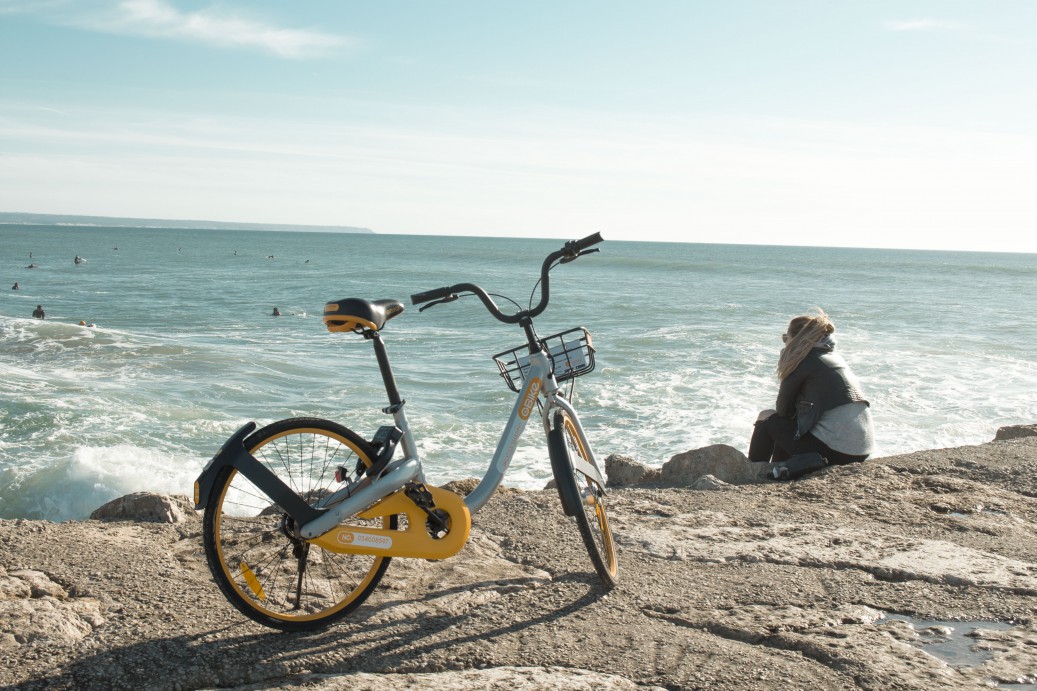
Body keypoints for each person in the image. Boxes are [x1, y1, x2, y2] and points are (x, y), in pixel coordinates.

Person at [749, 308, 874, 466]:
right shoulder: (833, 358)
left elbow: (783, 411)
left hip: (835, 453)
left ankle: (752, 471)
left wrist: (787, 361)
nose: (785, 343)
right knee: (789, 427)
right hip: (862, 451)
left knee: (766, 417)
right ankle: (779, 467)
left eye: (785, 338)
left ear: (796, 339)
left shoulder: (803, 361)